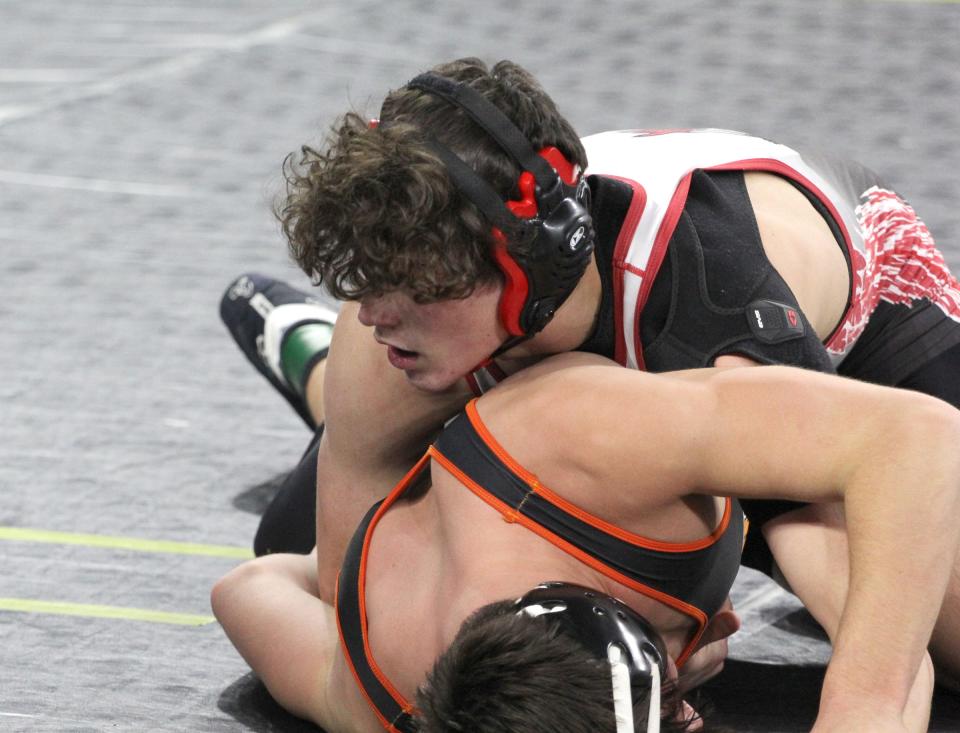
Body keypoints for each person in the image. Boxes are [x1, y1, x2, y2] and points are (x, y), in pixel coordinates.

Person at [215, 56, 960, 720]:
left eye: (408, 290)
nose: (376, 315)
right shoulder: (385, 331)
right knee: (299, 544)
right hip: (632, 414)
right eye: (366, 287)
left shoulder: (712, 310)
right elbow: (353, 637)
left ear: (526, 262)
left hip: (858, 340)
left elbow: (909, 458)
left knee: (918, 619)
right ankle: (317, 378)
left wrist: (855, 697)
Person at [212, 350, 960, 732]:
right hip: (407, 507)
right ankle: (334, 397)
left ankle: (326, 377)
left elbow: (912, 445)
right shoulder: (373, 694)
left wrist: (860, 705)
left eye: (679, 716)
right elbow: (245, 589)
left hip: (621, 376)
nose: (697, 722)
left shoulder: (584, 444)